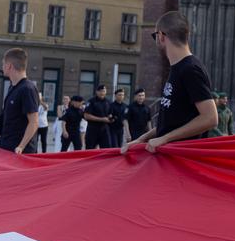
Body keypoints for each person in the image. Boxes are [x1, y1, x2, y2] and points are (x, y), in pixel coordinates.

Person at [123, 11, 217, 154]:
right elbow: (172, 122)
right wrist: (143, 138)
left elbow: (210, 118)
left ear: (161, 36)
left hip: (182, 159)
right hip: (170, 157)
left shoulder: (190, 69)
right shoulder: (178, 68)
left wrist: (166, 138)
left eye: (155, 36)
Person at [0, 48, 41, 154]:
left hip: (21, 153)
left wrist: (21, 147)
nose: (2, 67)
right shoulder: (12, 87)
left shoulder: (28, 89)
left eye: (3, 64)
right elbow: (5, 116)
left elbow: (34, 122)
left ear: (9, 66)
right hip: (6, 148)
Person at [83, 84, 113, 150]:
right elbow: (86, 116)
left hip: (104, 129)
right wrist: (102, 119)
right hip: (93, 129)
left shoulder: (108, 102)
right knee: (90, 149)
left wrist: (110, 118)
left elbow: (110, 114)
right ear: (97, 92)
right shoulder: (91, 101)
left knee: (107, 149)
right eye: (100, 91)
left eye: (104, 91)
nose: (102, 93)